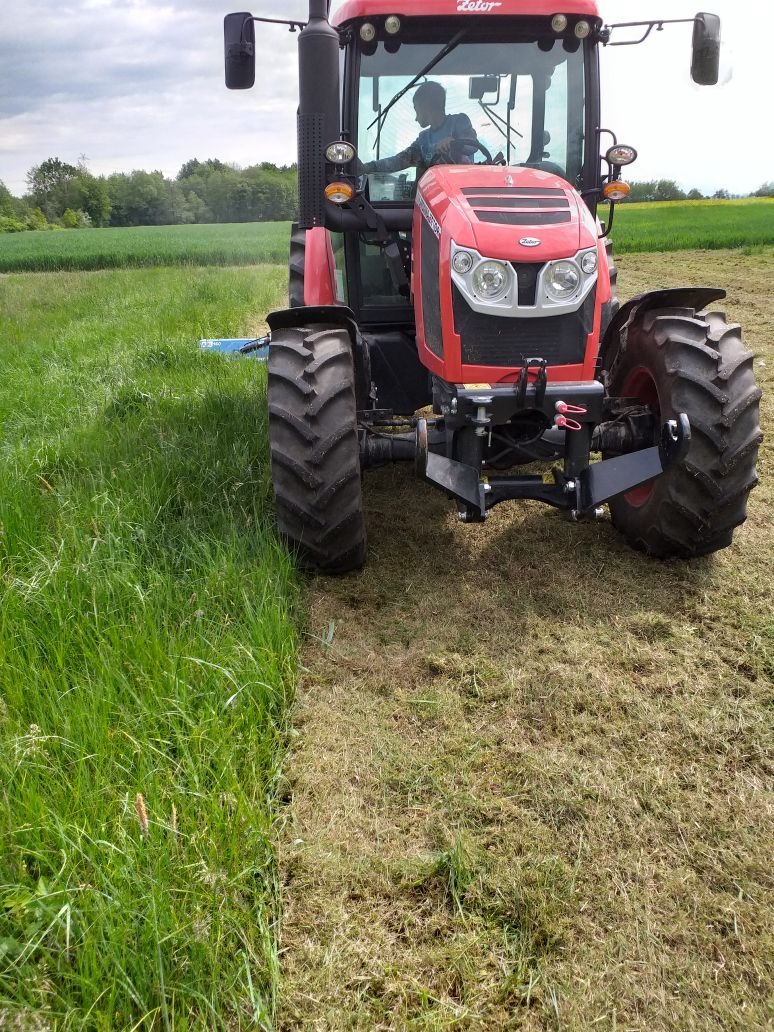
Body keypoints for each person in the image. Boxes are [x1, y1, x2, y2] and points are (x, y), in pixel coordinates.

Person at [362, 81, 478, 175]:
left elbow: (472, 146)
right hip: (434, 194)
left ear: (426, 107)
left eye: (416, 109)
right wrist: (367, 167)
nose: (416, 118)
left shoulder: (458, 122)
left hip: (462, 190)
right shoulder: (423, 140)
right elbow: (399, 161)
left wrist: (455, 143)